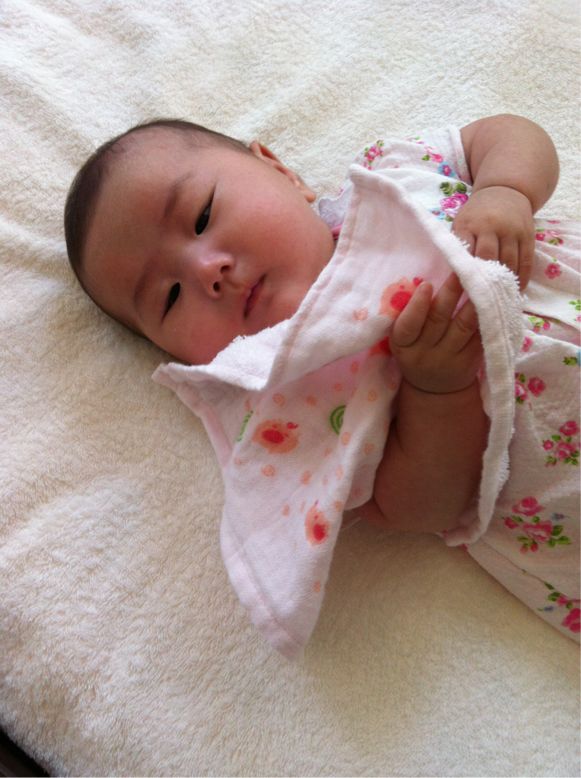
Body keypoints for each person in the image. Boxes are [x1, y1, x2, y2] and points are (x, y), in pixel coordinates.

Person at [64, 115, 580, 650]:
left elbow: (507, 134)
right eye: (170, 297)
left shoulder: (390, 179)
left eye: (202, 217)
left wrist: (505, 190)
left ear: (281, 172)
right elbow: (424, 509)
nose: (206, 271)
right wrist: (436, 390)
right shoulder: (293, 411)